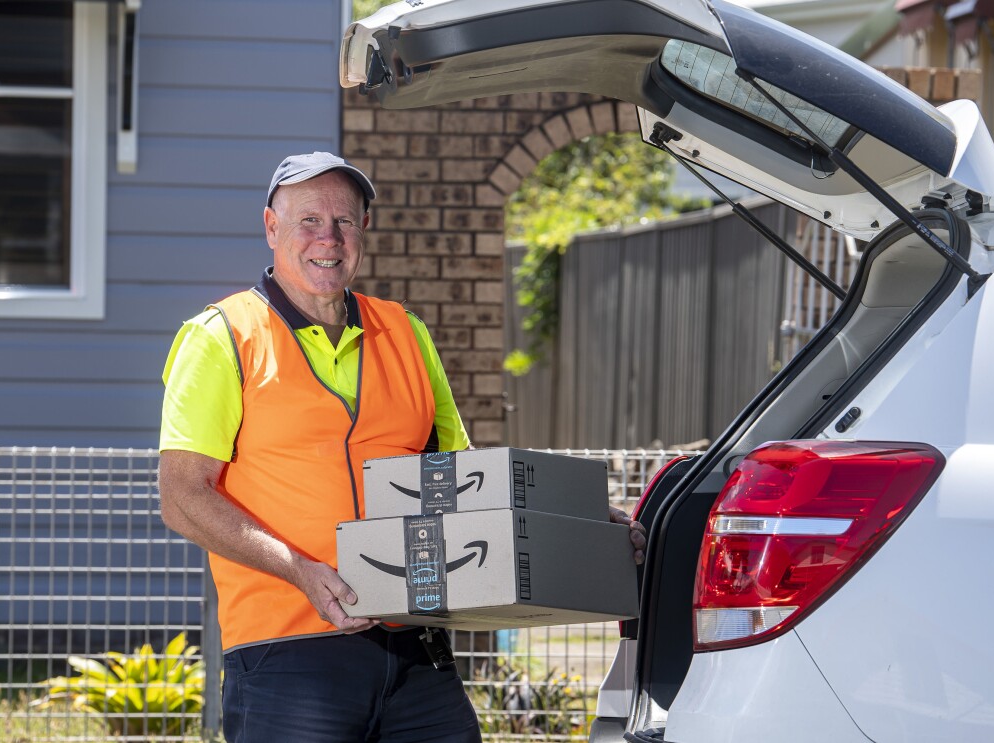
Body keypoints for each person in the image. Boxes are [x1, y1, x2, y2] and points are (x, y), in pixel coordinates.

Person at [157, 152, 647, 743]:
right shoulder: (223, 337)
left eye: (345, 221)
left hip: (416, 646)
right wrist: (303, 572)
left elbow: (462, 476)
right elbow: (182, 497)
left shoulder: (406, 331)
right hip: (287, 651)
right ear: (271, 227)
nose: (328, 238)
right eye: (308, 220)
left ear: (363, 231)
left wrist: (579, 520)